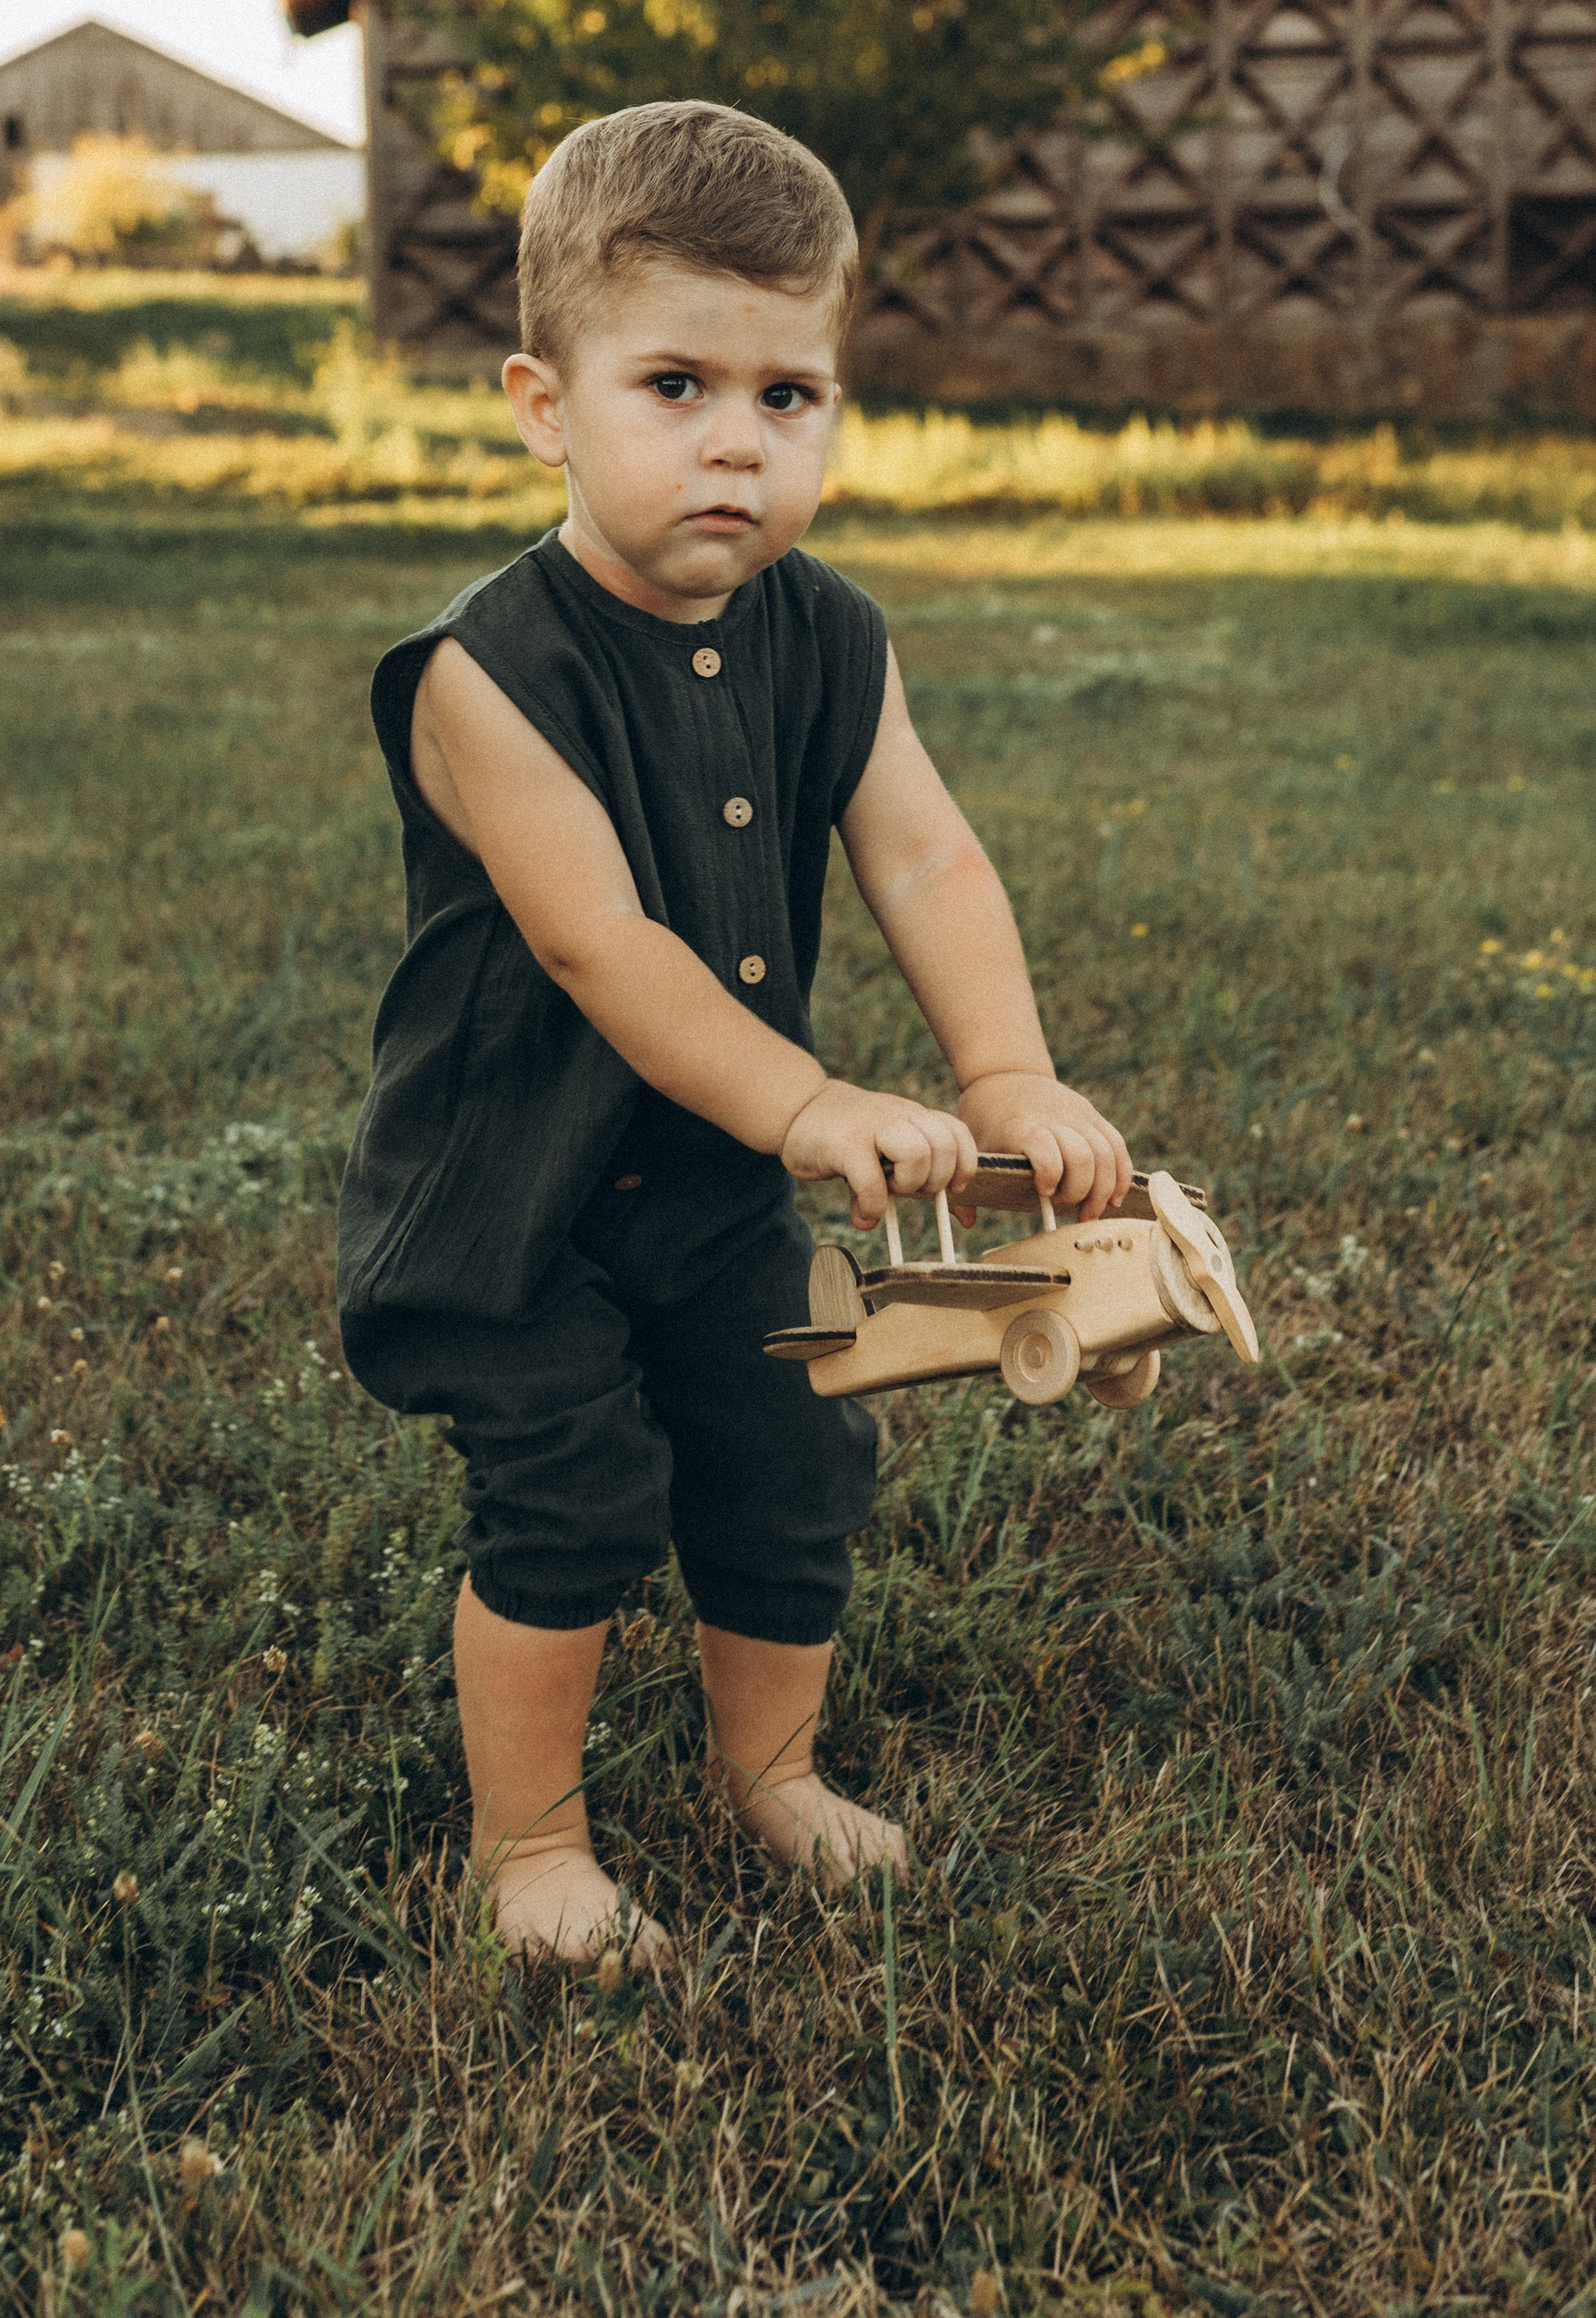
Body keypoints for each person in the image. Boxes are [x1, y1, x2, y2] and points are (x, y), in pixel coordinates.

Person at [338, 100, 1132, 1967]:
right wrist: (806, 1099)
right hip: (511, 1195)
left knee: (786, 1467)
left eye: (790, 397)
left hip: (708, 1184)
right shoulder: (483, 674)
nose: (735, 444)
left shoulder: (830, 636)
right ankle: (529, 1850)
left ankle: (763, 1773)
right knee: (573, 1497)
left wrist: (1004, 1073)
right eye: (676, 384)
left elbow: (925, 855)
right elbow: (600, 946)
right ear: (545, 403)